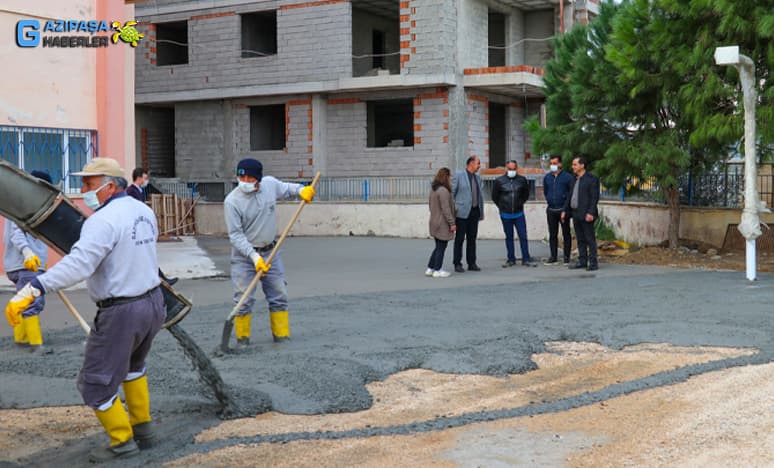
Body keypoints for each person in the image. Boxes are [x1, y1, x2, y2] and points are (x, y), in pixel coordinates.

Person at [4, 158, 165, 462]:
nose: (84, 190)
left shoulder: (101, 222)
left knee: (94, 382)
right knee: (133, 368)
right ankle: (144, 429)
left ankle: (122, 441)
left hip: (122, 311)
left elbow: (79, 265)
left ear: (111, 186)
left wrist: (36, 287)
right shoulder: (143, 211)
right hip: (152, 303)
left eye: (90, 184)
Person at [224, 158, 315, 346]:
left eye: (250, 178)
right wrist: (254, 257)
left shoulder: (270, 185)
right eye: (242, 177)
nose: (245, 182)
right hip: (244, 257)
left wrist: (302, 190)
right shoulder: (232, 201)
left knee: (279, 293)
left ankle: (281, 337)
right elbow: (235, 236)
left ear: (258, 179)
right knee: (243, 299)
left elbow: (288, 189)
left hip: (271, 252)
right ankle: (242, 340)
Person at [3, 170, 52, 354]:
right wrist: (28, 252)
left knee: (24, 300)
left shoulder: (22, 202)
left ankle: (21, 339)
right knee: (33, 301)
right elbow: (16, 233)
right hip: (26, 264)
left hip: (24, 264)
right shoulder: (22, 203)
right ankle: (36, 343)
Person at [491, 160, 537, 267]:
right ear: (506, 169)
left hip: (518, 213)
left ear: (517, 169)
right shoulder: (499, 181)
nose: (512, 171)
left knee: (523, 236)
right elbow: (495, 197)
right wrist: (502, 207)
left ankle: (526, 258)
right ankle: (511, 259)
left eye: (513, 169)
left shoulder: (522, 180)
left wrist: (520, 203)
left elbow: (526, 194)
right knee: (509, 237)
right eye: (509, 169)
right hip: (505, 214)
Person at [562, 156, 600, 271]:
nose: (573, 167)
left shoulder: (591, 179)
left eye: (575, 164)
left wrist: (591, 213)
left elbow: (594, 198)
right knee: (580, 238)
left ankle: (593, 262)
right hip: (576, 213)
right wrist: (565, 210)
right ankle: (582, 260)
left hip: (587, 214)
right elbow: (570, 196)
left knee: (589, 238)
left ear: (582, 165)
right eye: (573, 165)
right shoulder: (574, 179)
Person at [452, 156, 484, 272]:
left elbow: (480, 196)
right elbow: (452, 194)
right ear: (471, 163)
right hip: (462, 213)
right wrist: (454, 210)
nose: (479, 166)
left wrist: (481, 212)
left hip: (474, 212)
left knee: (472, 239)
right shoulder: (459, 175)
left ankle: (472, 263)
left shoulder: (478, 178)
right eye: (478, 163)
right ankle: (457, 263)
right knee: (460, 239)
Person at [543, 155, 574, 265]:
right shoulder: (547, 177)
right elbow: (546, 192)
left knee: (566, 234)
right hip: (551, 210)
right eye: (551, 163)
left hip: (563, 209)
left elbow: (570, 194)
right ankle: (553, 256)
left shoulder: (568, 177)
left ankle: (566, 257)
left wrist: (565, 209)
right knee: (552, 234)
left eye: (555, 163)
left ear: (560, 164)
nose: (553, 165)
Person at [426, 168, 456, 278]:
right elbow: (446, 209)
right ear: (446, 177)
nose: (450, 178)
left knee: (438, 246)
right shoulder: (443, 191)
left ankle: (430, 268)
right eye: (449, 176)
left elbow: (430, 206)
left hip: (434, 221)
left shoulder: (433, 190)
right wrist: (452, 223)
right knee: (441, 247)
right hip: (442, 223)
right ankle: (437, 269)